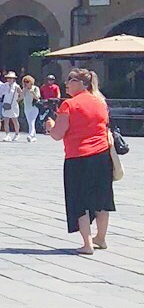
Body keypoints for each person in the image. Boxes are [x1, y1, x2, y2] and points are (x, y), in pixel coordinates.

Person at [46, 67, 114, 253]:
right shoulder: (100, 102)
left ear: (82, 83)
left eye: (70, 79)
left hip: (78, 157)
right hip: (102, 155)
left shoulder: (69, 105)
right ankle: (100, 237)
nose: (66, 83)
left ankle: (87, 243)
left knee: (80, 201)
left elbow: (58, 134)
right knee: (102, 198)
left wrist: (50, 125)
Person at [18, 73, 41, 141]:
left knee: (32, 121)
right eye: (24, 82)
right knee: (29, 122)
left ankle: (30, 135)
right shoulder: (24, 89)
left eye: (27, 82)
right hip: (27, 108)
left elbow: (38, 98)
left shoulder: (35, 88)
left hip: (34, 107)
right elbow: (21, 97)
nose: (26, 83)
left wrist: (32, 93)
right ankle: (33, 136)